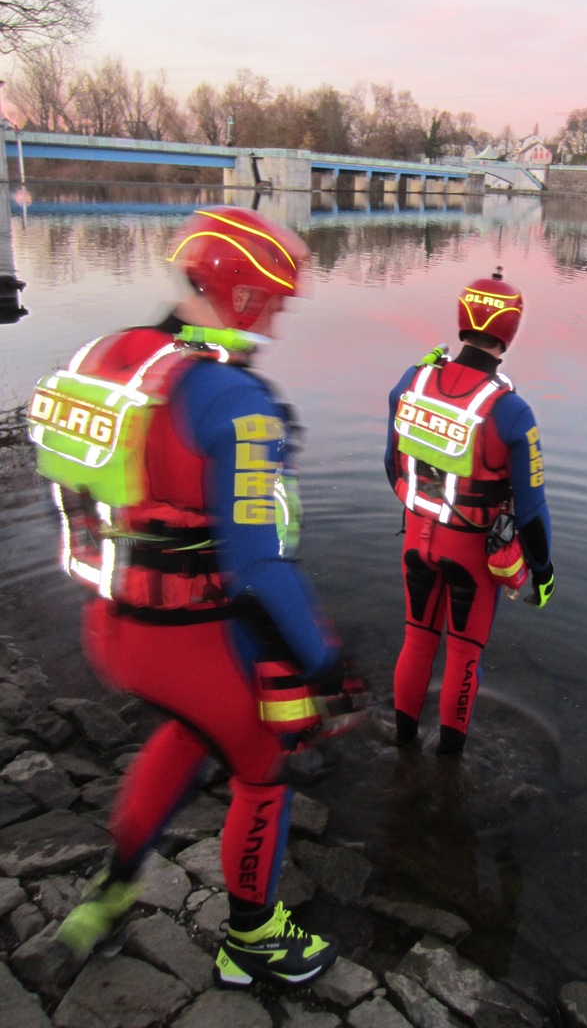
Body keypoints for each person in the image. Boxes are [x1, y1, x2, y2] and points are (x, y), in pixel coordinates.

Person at [28, 206, 342, 988]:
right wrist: (326, 668)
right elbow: (259, 568)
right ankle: (252, 942)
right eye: (276, 299)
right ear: (243, 296)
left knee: (186, 732)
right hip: (189, 639)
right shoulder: (235, 403)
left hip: (112, 627)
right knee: (265, 763)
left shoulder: (104, 355)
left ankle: (110, 895)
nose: (281, 314)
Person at [384, 269, 554, 757]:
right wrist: (543, 574)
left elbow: (391, 466)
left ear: (462, 318)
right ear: (510, 331)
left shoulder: (411, 379)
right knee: (463, 653)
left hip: (416, 539)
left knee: (417, 640)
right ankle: (449, 766)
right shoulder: (511, 410)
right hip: (472, 554)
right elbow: (531, 510)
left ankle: (400, 747)